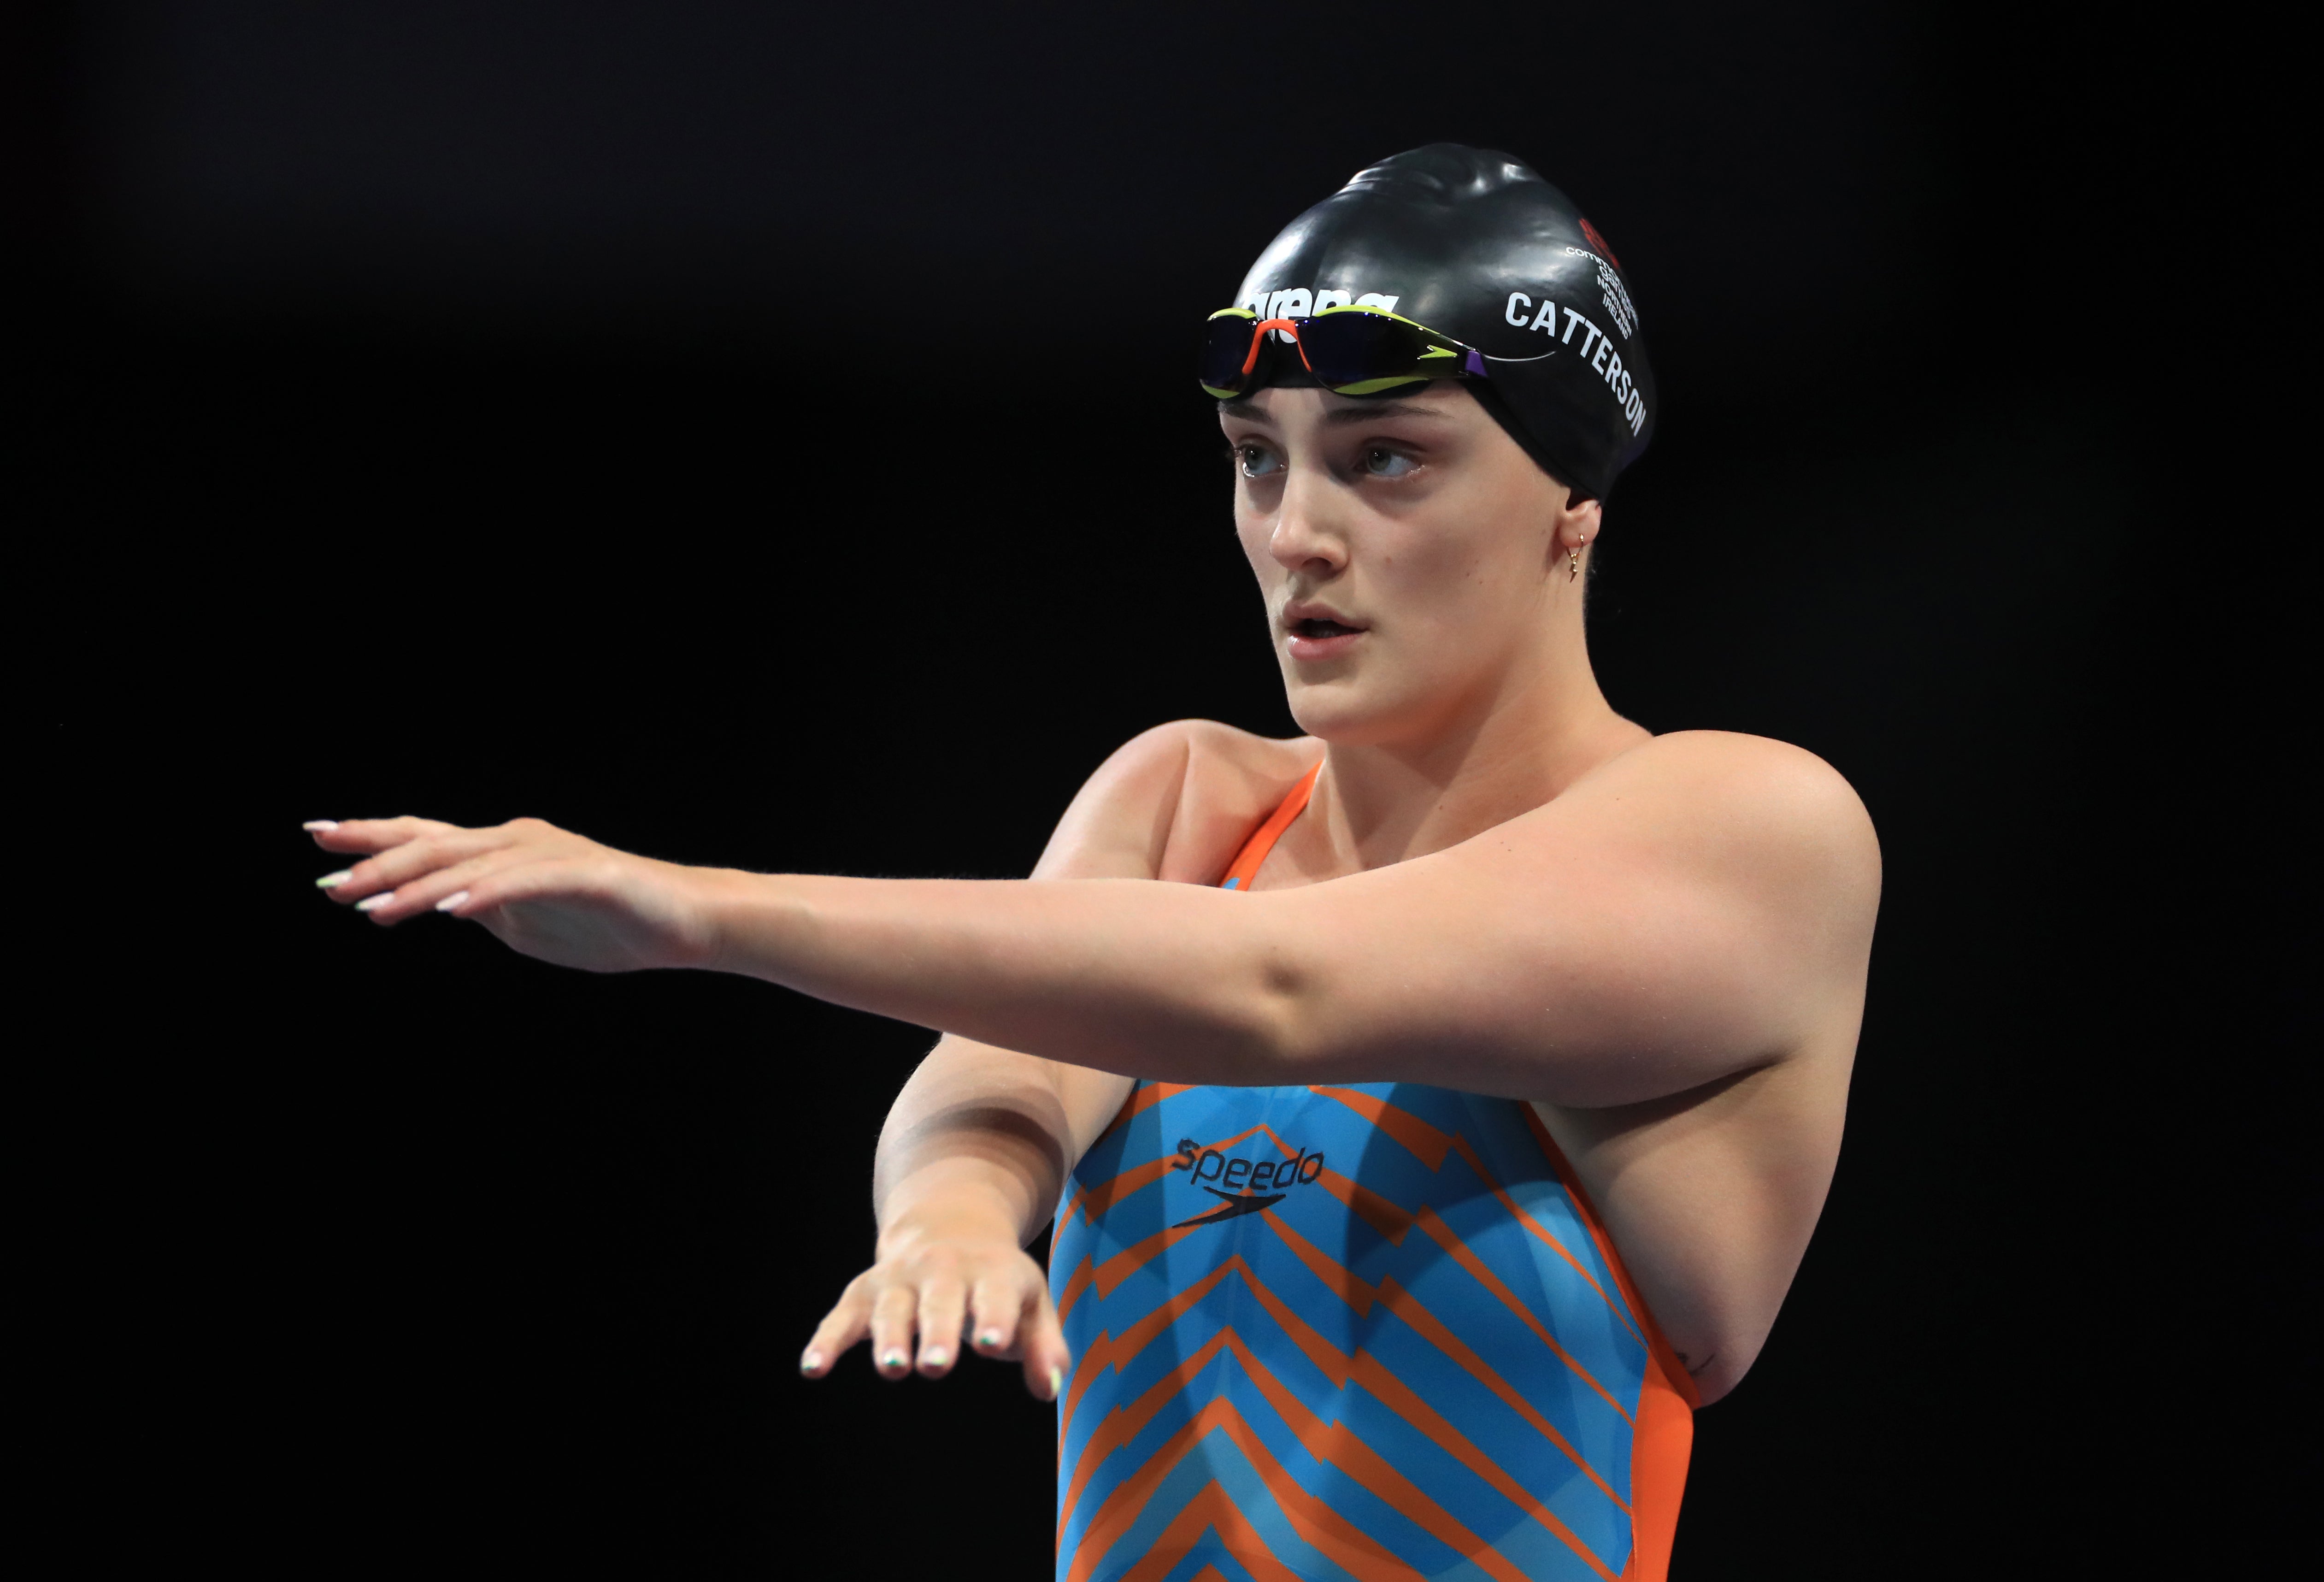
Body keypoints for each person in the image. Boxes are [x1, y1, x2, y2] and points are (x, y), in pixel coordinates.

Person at [306, 145, 1878, 1581]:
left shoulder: (1749, 830)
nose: (1296, 532)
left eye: (1385, 458)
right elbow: (997, 1070)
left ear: (1572, 503)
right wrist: (950, 1220)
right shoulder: (1191, 800)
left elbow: (1282, 990)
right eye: (1258, 458)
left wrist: (699, 911)